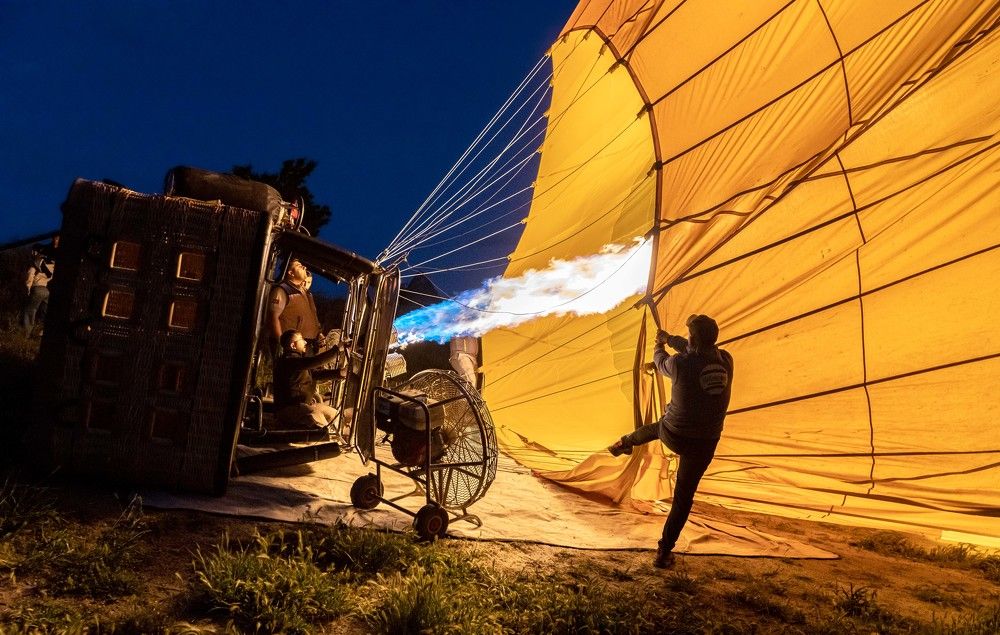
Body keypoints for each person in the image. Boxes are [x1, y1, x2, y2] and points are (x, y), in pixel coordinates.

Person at [608, 314, 734, 569]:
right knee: (683, 498)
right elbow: (695, 350)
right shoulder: (727, 360)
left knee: (658, 426)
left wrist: (659, 345)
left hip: (675, 434)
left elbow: (660, 360)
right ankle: (664, 552)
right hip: (704, 443)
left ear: (693, 339)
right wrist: (670, 338)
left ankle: (624, 443)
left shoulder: (679, 365)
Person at [273, 329, 347, 431]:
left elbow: (315, 374)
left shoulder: (296, 362)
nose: (305, 342)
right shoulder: (288, 361)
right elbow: (315, 361)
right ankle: (326, 440)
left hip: (302, 407)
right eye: (301, 339)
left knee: (334, 415)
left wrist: (341, 373)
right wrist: (337, 349)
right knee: (323, 425)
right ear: (293, 346)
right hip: (291, 409)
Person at [268, 258, 322, 353]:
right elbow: (273, 318)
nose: (304, 267)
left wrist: (319, 333)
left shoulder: (307, 293)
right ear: (291, 273)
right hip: (293, 346)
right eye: (299, 266)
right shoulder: (282, 291)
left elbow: (313, 316)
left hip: (308, 344)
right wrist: (281, 346)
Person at [21, 237, 58, 335]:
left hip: (38, 287)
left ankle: (26, 333)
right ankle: (43, 333)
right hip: (48, 290)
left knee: (30, 310)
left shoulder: (36, 261)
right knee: (46, 312)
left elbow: (30, 274)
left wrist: (28, 287)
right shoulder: (52, 263)